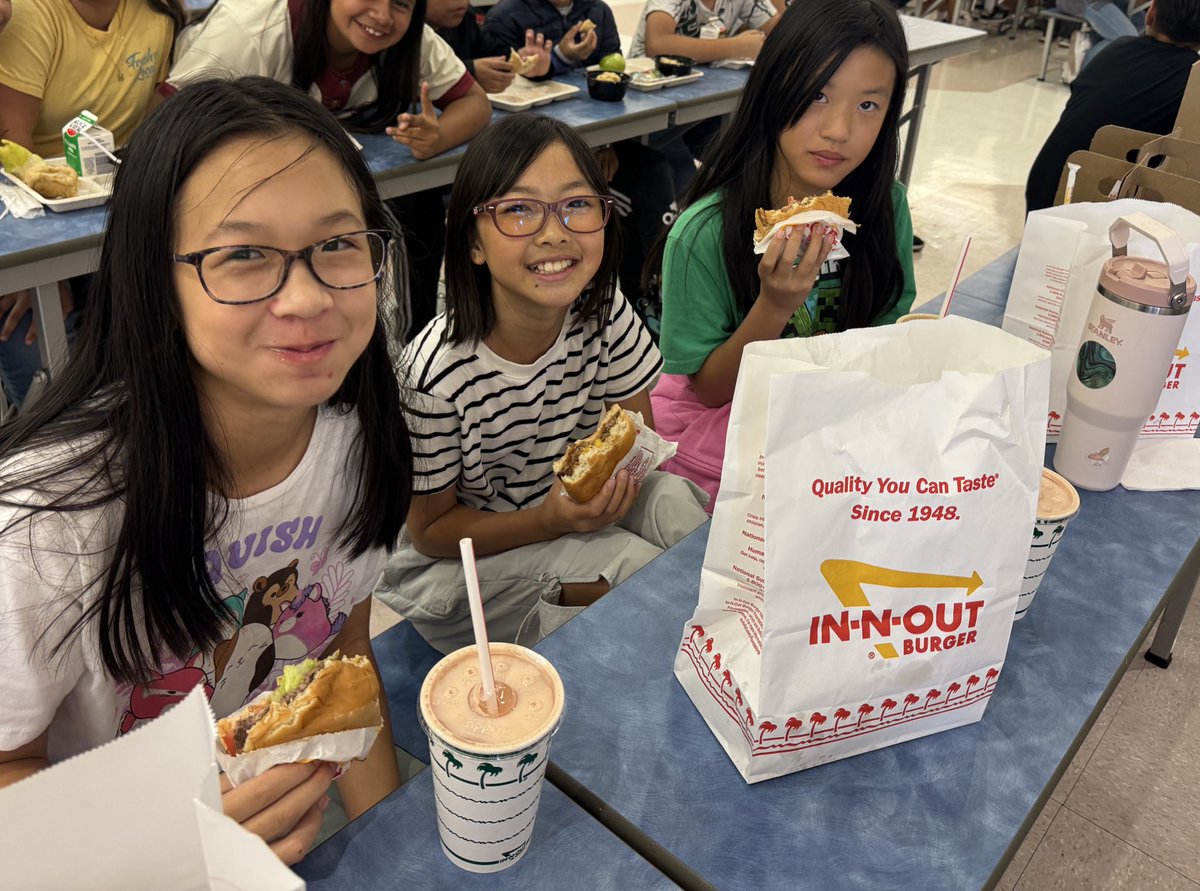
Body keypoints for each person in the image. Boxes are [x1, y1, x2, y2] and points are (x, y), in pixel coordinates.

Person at [0, 76, 414, 866]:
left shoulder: (358, 443)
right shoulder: (48, 521)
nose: (306, 296)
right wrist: (164, 840)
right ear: (157, 280)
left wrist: (394, 849)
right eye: (244, 255)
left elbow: (344, 667)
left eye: (336, 243)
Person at [375, 114, 709, 654]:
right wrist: (550, 520)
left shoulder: (603, 309)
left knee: (677, 507)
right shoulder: (434, 377)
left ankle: (730, 635)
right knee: (632, 568)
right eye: (519, 210)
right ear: (473, 244)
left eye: (576, 204)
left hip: (562, 505)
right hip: (462, 559)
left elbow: (633, 433)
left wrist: (606, 496)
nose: (554, 232)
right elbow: (431, 532)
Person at [646, 0, 917, 507]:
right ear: (772, 89)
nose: (838, 130)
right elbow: (709, 390)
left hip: (833, 420)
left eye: (867, 105)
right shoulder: (702, 233)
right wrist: (774, 305)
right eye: (817, 94)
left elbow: (885, 334)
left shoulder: (885, 208)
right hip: (729, 422)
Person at [164, 0, 494, 338]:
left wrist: (436, 138)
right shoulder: (250, 32)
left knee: (412, 209)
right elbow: (168, 127)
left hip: (322, 185)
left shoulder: (409, 39)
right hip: (239, 190)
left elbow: (474, 101)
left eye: (401, 4)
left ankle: (403, 340)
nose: (382, 16)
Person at [0, 0, 187, 408]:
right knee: (41, 359)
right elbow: (13, 154)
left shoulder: (160, 15)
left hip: (124, 224)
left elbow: (154, 135)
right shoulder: (32, 15)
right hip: (37, 223)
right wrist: (45, 276)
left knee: (166, 353)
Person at [1025, 0, 1200, 214]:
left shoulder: (1115, 49)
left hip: (1046, 186)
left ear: (1150, 14)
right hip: (1092, 208)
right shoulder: (1192, 80)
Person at [425, 0, 552, 93]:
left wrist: (527, 64)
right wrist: (470, 73)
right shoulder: (407, 30)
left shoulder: (465, 19)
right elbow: (411, 80)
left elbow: (499, 53)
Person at [484, 0, 617, 75]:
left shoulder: (599, 10)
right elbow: (503, 80)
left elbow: (613, 61)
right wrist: (562, 56)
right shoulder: (503, 16)